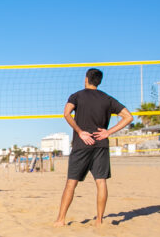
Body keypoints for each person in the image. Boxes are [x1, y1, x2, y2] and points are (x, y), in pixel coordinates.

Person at [54, 68, 133, 227]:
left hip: (81, 145)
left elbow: (66, 113)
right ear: (99, 81)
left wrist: (80, 132)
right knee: (101, 182)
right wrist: (108, 132)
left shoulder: (76, 95)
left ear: (86, 79)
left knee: (71, 183)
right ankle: (99, 220)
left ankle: (61, 219)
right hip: (100, 144)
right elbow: (129, 117)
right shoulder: (107, 98)